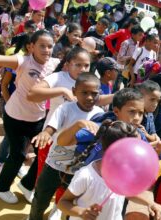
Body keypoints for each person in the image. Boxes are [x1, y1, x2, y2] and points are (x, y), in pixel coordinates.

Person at [0, 30, 60, 204]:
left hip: (38, 119)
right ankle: (1, 188)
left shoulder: (55, 63)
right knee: (18, 155)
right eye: (42, 46)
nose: (46, 50)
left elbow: (77, 66)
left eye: (50, 46)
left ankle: (27, 184)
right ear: (31, 47)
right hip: (15, 117)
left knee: (43, 154)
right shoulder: (23, 61)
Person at [29, 73, 103, 220]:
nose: (89, 97)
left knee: (69, 201)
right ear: (74, 91)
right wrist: (45, 133)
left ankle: (58, 213)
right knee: (41, 198)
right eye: (84, 92)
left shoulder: (99, 113)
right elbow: (52, 126)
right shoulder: (66, 108)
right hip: (55, 164)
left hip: (77, 168)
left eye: (94, 94)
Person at [58, 120, 161, 220]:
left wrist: (150, 203)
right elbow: (63, 202)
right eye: (134, 148)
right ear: (115, 150)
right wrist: (82, 212)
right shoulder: (86, 175)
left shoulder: (123, 172)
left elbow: (126, 192)